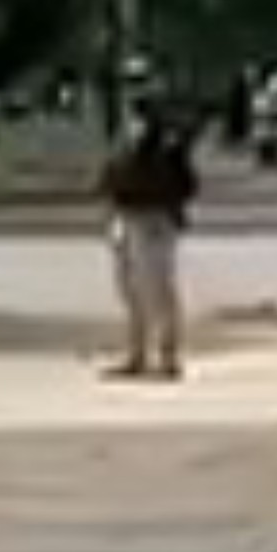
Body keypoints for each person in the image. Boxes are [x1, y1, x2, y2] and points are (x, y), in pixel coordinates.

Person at [101, 95, 202, 380]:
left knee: (159, 289)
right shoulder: (124, 147)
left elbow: (188, 185)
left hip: (155, 220)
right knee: (130, 290)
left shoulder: (168, 149)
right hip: (127, 218)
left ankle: (167, 355)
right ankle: (137, 354)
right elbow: (109, 180)